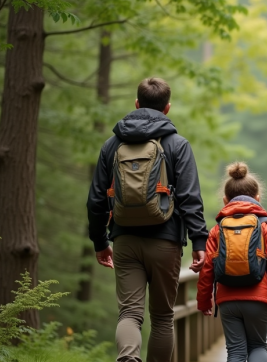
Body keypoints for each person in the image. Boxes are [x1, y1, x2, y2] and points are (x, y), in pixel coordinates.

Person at [87, 78, 208, 362]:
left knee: (129, 313)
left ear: (136, 104)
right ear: (167, 108)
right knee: (163, 317)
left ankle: (128, 358)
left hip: (125, 239)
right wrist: (199, 241)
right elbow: (191, 198)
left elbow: (96, 200)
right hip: (165, 241)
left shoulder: (111, 145)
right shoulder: (177, 144)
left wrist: (100, 242)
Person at [196, 162, 267, 362]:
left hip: (228, 300)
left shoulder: (217, 230)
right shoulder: (265, 228)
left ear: (225, 200)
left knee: (236, 351)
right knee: (258, 346)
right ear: (257, 199)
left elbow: (207, 269)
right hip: (258, 297)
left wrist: (204, 300)